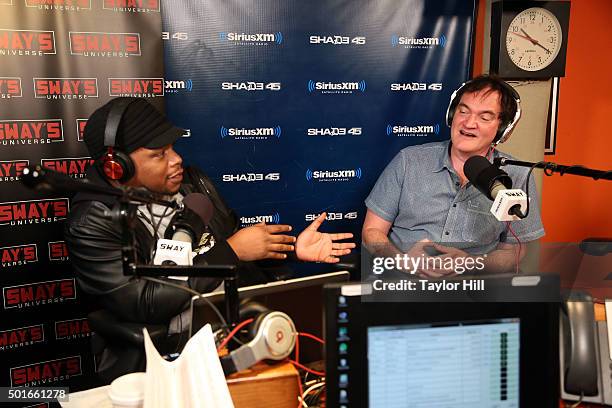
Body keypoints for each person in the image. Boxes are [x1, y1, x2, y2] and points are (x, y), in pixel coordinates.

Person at [64, 97, 355, 329]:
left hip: (235, 322)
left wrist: (291, 249)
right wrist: (231, 252)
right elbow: (144, 304)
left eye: (172, 148)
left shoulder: (192, 183)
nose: (177, 159)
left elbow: (239, 242)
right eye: (159, 154)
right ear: (117, 167)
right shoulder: (93, 222)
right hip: (171, 350)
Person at [362, 75, 544, 277]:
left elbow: (514, 252)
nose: (469, 123)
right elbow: (372, 232)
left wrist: (471, 263)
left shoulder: (516, 176)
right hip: (402, 281)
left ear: (502, 129)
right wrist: (403, 261)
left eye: (484, 117)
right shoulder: (409, 161)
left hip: (471, 290)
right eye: (463, 111)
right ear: (451, 115)